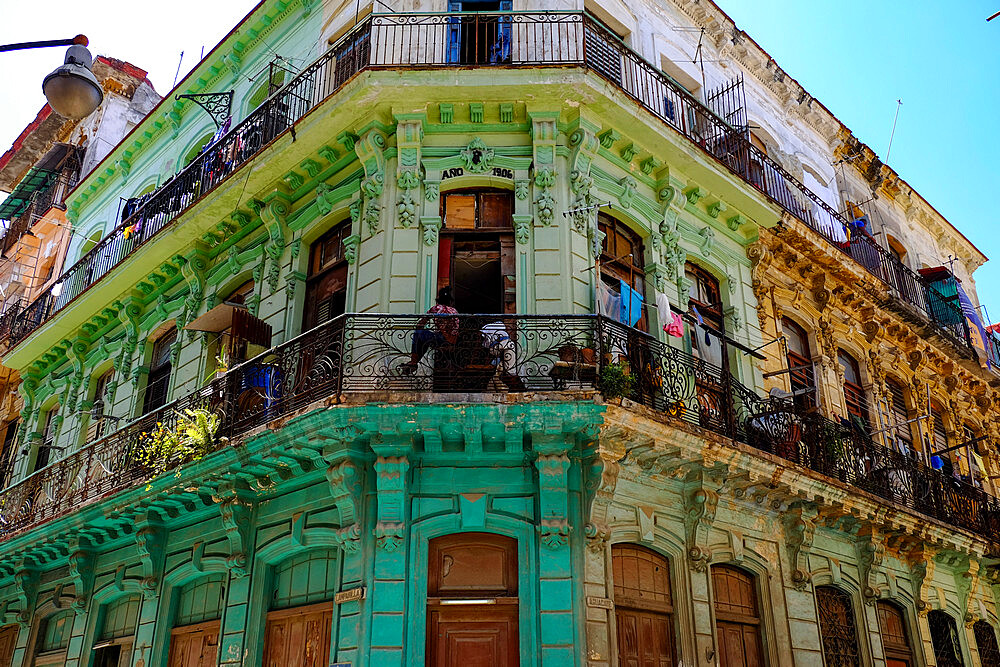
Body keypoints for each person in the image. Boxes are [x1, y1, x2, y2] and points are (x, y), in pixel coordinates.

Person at [399, 287, 459, 374]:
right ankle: (414, 363)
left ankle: (413, 362)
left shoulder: (435, 308)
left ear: (438, 299)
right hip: (452, 341)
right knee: (426, 339)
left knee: (419, 333)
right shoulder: (454, 311)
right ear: (450, 300)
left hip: (441, 339)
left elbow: (420, 324)